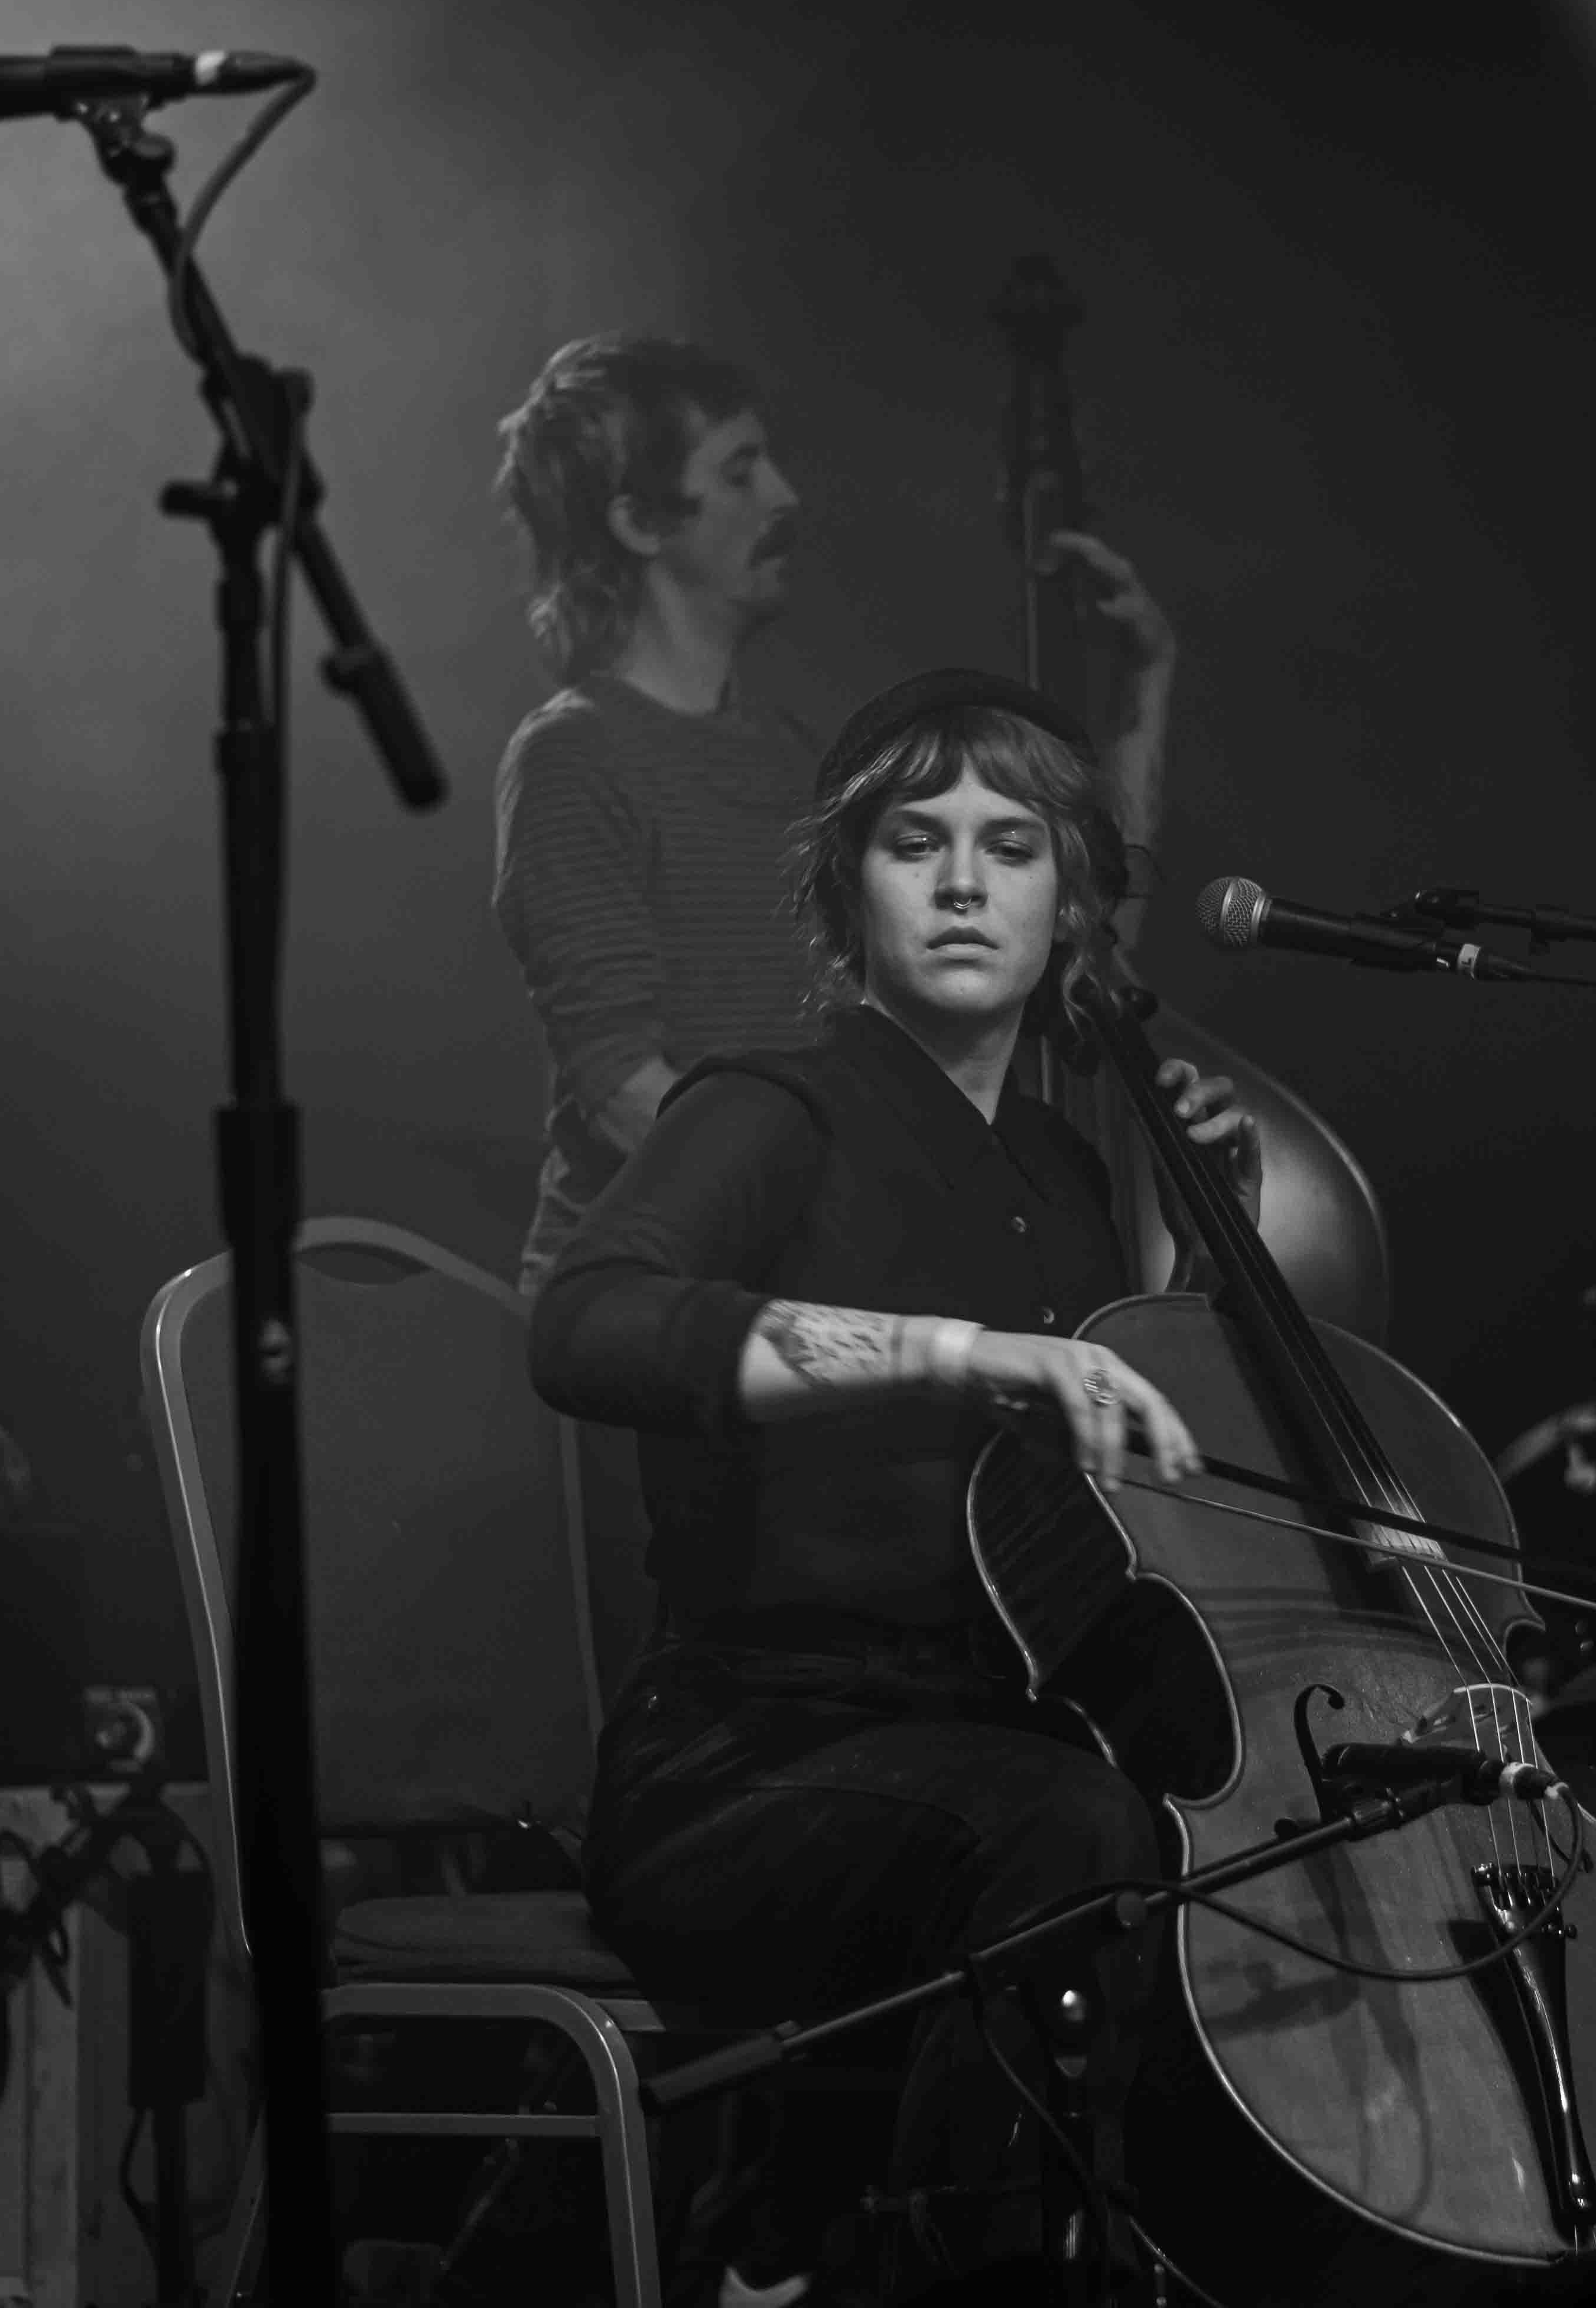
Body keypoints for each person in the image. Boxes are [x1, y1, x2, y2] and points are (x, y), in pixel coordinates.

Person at [529, 670, 1258, 2305]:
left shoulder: (1063, 1174)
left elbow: (1122, 1513)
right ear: (841, 888)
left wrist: (1212, 1234)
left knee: (1185, 1838)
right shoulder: (769, 1109)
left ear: (1070, 900)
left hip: (987, 1761)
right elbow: (587, 1324)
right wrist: (958, 1350)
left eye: (1010, 846)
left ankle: (817, 2242)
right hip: (744, 1773)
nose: (957, 881)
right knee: (1070, 1829)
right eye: (911, 841)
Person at [490, 331, 1187, 1694]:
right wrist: (903, 1241)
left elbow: (1068, 937)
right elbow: (627, 1082)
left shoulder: (792, 756)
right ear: (638, 518)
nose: (788, 496)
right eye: (740, 469)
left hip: (854, 1280)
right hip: (687, 1324)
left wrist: (1143, 708)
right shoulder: (575, 754)